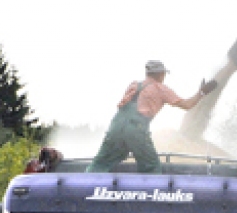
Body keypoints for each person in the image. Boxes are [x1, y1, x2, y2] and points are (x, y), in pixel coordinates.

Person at [86, 61, 216, 174]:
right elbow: (187, 105)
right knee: (151, 167)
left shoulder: (134, 85)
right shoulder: (161, 89)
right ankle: (150, 195)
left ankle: (87, 188)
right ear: (160, 74)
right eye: (164, 74)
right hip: (136, 128)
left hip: (116, 125)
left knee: (100, 163)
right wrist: (201, 93)